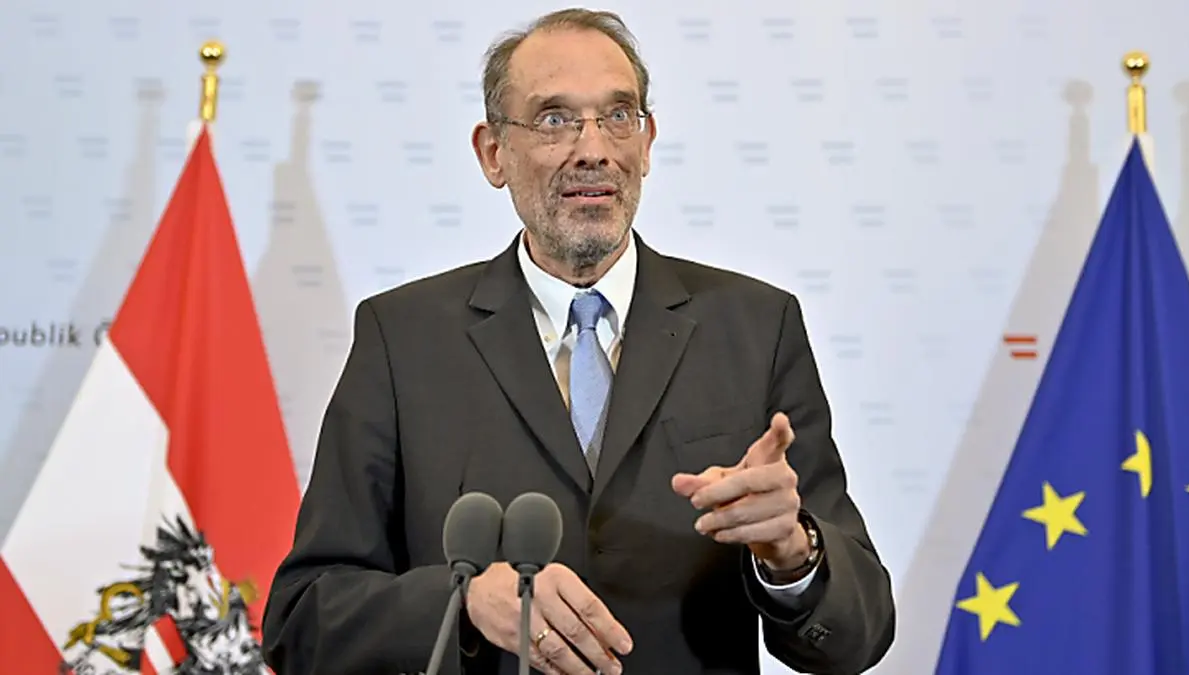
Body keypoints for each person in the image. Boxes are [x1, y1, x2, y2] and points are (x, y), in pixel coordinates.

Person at [261, 8, 894, 675]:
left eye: (618, 116)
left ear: (646, 143)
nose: (593, 149)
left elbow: (861, 634)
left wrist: (794, 553)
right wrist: (462, 603)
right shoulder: (402, 338)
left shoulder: (757, 327)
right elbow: (303, 618)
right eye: (555, 119)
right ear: (493, 152)